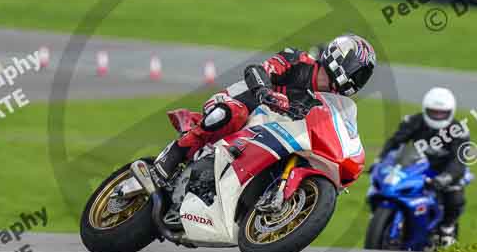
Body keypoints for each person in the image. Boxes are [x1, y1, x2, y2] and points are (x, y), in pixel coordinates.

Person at [153, 34, 376, 181]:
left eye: (363, 76)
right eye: (358, 71)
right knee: (232, 113)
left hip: (273, 133)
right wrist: (266, 93)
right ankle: (174, 155)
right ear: (340, 58)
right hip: (244, 105)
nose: (358, 79)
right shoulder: (298, 61)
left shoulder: (331, 100)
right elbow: (256, 70)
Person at [376, 87, 469, 246]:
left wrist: (445, 178)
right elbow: (395, 142)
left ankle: (447, 228)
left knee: (455, 195)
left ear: (451, 112)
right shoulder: (413, 121)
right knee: (383, 185)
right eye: (433, 112)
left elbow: (459, 161)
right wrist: (381, 161)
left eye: (442, 113)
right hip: (417, 167)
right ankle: (382, 219)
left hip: (446, 171)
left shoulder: (459, 131)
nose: (438, 116)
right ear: (425, 109)